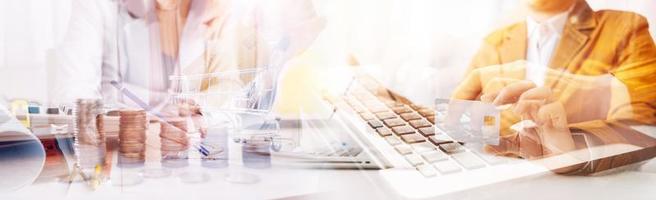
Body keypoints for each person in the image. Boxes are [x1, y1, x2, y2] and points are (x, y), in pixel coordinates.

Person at [452, 0, 656, 175]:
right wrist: (431, 130)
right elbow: (464, 123)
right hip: (497, 178)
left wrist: (574, 150)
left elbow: (645, 130)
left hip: (578, 186)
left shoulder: (624, 28)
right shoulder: (495, 41)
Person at [53, 0, 323, 116]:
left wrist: (198, 110)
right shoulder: (97, 6)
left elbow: (228, 87)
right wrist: (158, 112)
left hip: (196, 164)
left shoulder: (215, 9)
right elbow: (73, 96)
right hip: (121, 162)